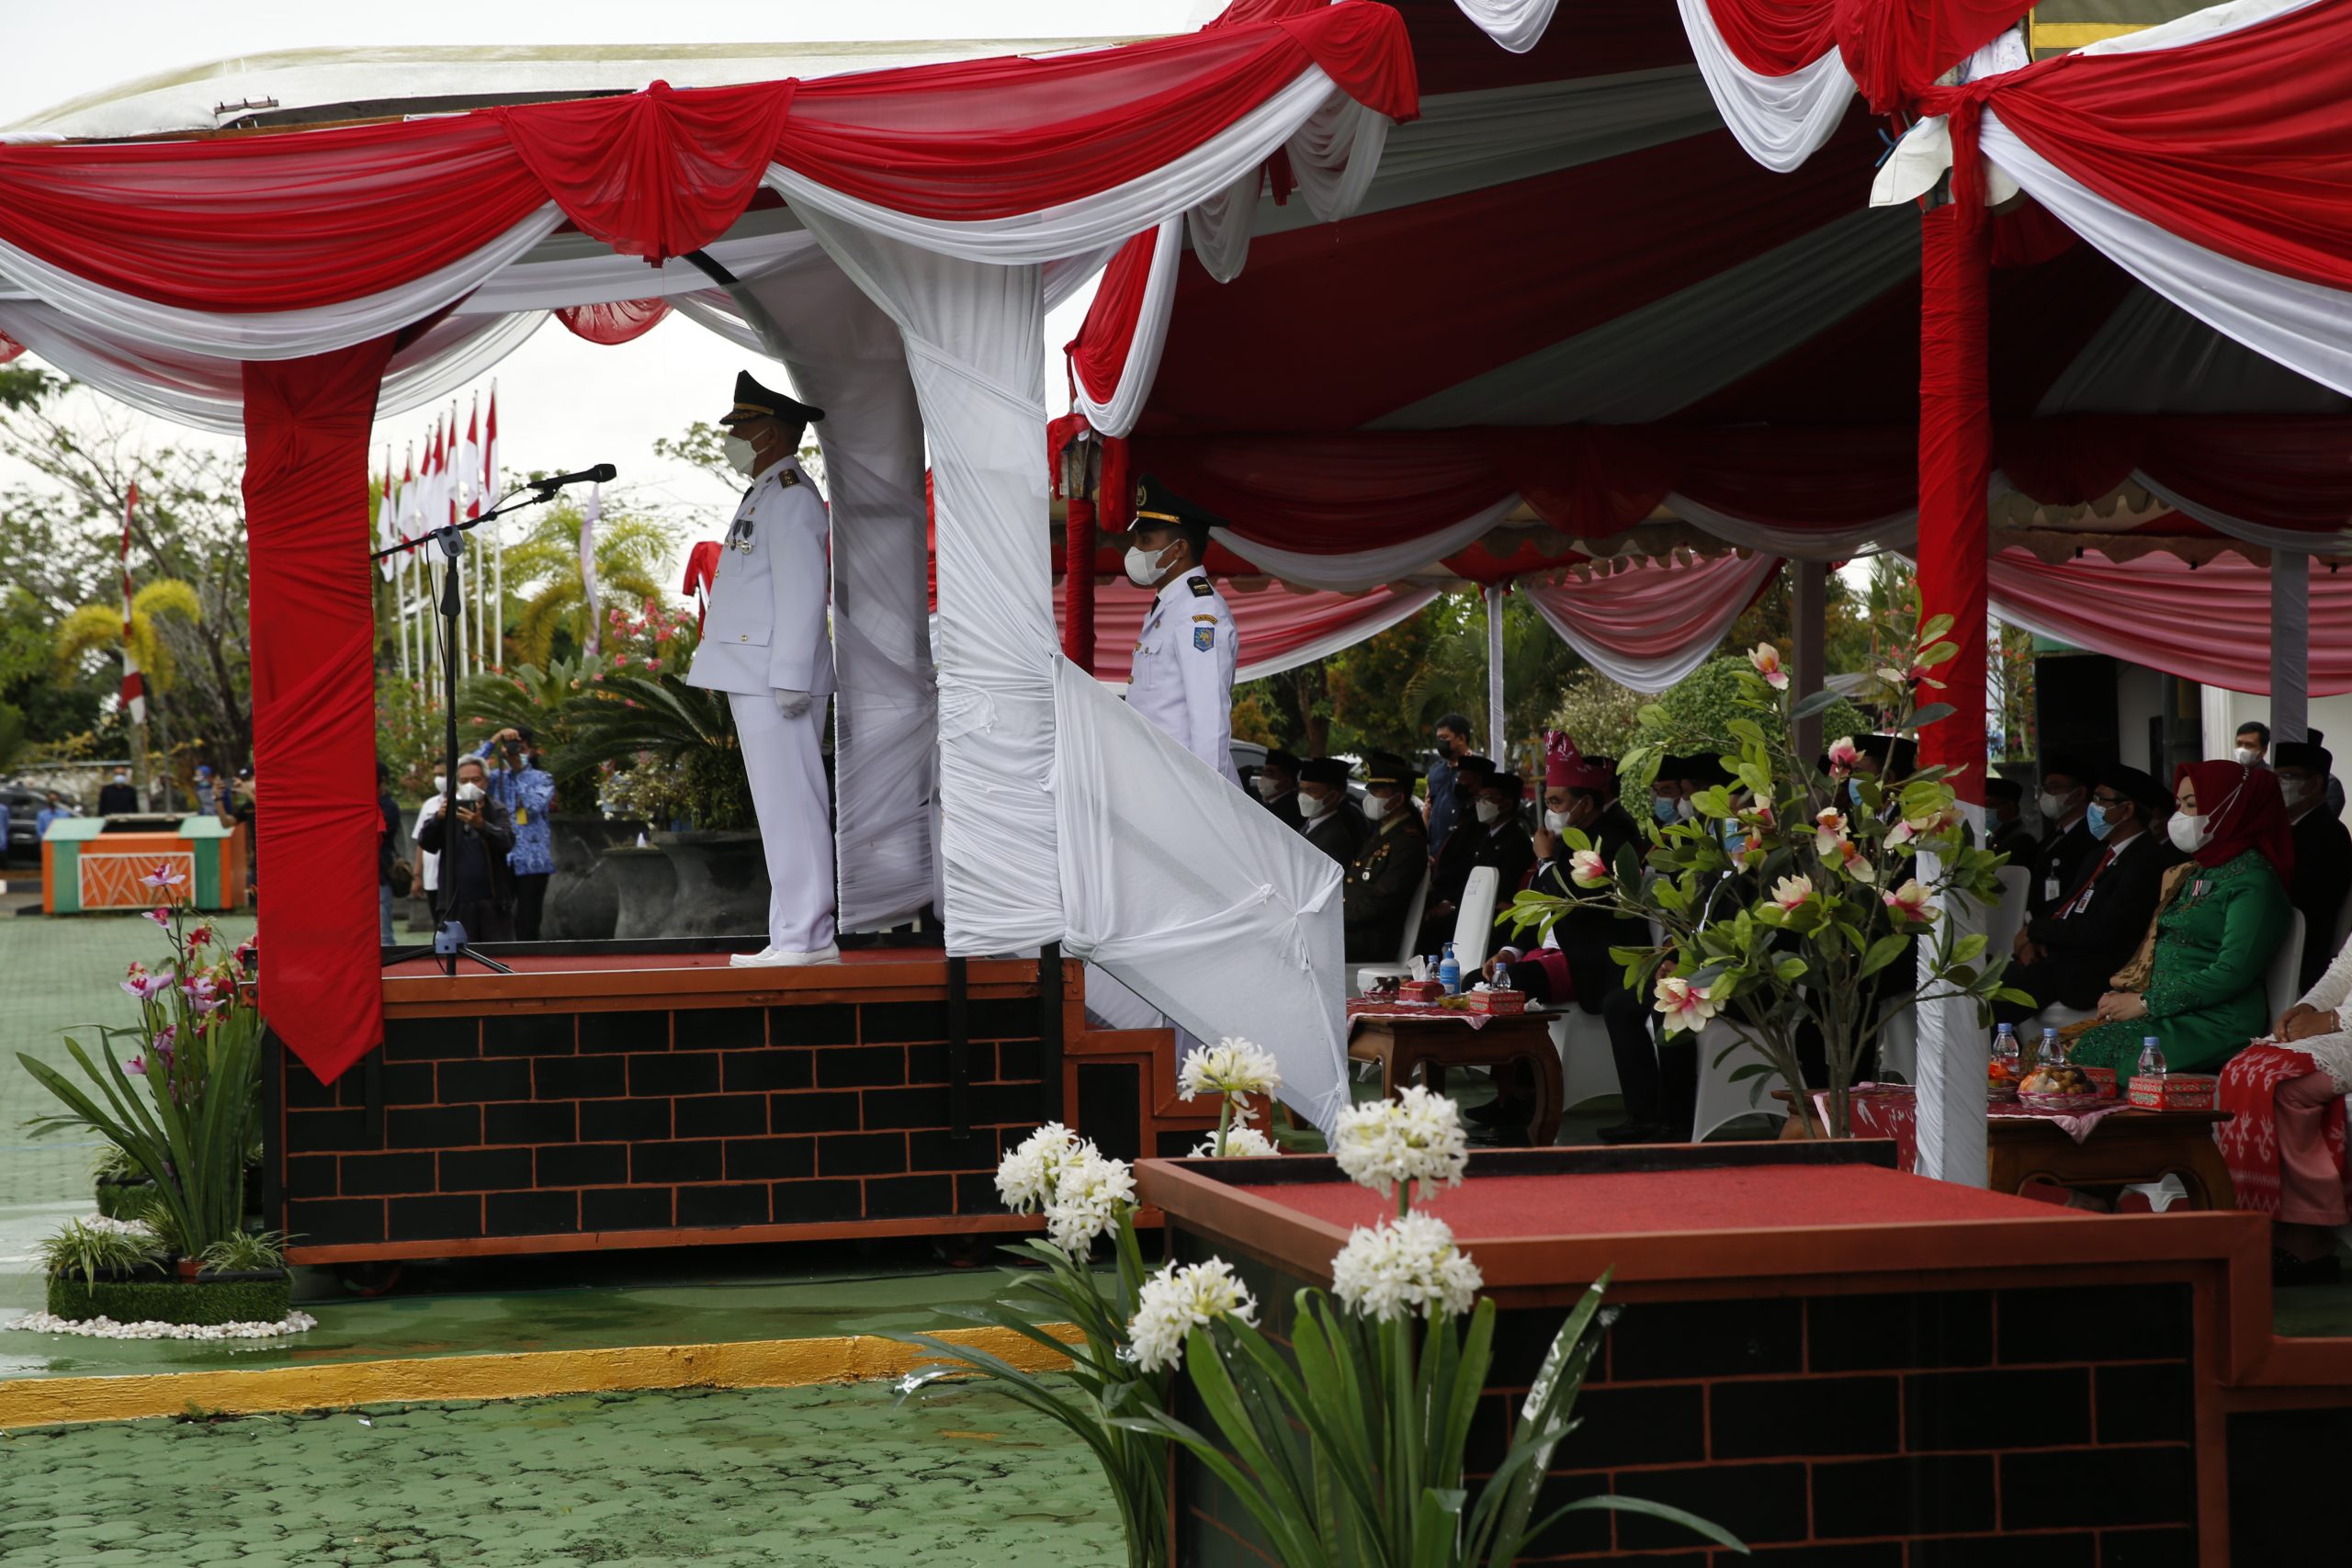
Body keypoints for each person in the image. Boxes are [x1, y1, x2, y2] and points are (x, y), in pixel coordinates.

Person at [684, 371, 840, 967]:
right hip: (757, 674)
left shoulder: (794, 497)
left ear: (771, 433)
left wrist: (792, 674)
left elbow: (805, 591)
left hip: (778, 677)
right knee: (780, 809)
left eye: (742, 425)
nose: (733, 435)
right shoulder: (766, 493)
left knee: (795, 805)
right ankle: (791, 934)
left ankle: (808, 935)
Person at [1483, 736, 1658, 1142]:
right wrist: (1511, 950)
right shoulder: (1571, 837)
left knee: (1511, 986)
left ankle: (1528, 1099)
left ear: (1587, 802)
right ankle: (1511, 1095)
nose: (1551, 812)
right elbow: (1536, 909)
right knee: (1486, 975)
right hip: (1552, 951)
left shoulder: (1612, 839)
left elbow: (1574, 901)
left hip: (1592, 958)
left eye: (1559, 802)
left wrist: (1544, 860)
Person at [2069, 760, 2294, 1074]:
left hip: (2218, 1021)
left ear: (2230, 808)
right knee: (2052, 1047)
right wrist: (2127, 995)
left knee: (2088, 1053)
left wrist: (2146, 1002)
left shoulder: (2253, 882)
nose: (2180, 817)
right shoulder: (2194, 872)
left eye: (2192, 804)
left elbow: (2233, 971)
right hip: (2171, 1013)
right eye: (2179, 805)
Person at [1996, 765, 2176, 1026]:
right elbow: (2066, 906)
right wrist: (2034, 938)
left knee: (1997, 1006)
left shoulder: (2147, 860)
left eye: (2102, 800)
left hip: (2092, 971)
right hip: (2061, 958)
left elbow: (2104, 928)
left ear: (2127, 810)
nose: (2094, 807)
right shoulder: (2100, 854)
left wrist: (2038, 932)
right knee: (1992, 989)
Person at [2226, 934, 2352, 1283]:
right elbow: (2344, 968)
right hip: (2342, 1028)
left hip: (2344, 1028)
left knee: (2284, 1086)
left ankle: (2308, 1234)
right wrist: (2308, 1008)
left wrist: (2331, 1021)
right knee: (2244, 1068)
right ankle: (2265, 1221)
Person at [1122, 475, 1240, 786]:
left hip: (1185, 787)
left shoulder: (1199, 612)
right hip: (1161, 779)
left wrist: (1206, 797)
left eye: (1146, 541)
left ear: (1179, 549)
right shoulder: (1171, 606)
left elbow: (1208, 716)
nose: (1136, 549)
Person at [2275, 739, 2352, 994]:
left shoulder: (2329, 833)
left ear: (2315, 783)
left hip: (2306, 951)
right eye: (2275, 777)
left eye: (2287, 777)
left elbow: (2309, 900)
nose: (2279, 784)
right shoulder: (2288, 828)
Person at [415, 758, 516, 942]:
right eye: (463, 781)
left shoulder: (496, 810)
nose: (470, 785)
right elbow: (426, 843)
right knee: (459, 960)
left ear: (485, 781)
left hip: (493, 902)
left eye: (476, 779)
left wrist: (482, 825)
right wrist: (438, 819)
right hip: (456, 903)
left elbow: (506, 842)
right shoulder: (448, 811)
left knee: (499, 955)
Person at [473, 726, 557, 941]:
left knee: (528, 921)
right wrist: (493, 741)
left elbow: (534, 806)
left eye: (521, 747)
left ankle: (530, 967)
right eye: (512, 746)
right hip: (501, 856)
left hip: (532, 860)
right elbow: (468, 772)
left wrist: (519, 769)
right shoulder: (494, 778)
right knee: (498, 917)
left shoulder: (542, 778)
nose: (515, 751)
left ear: (531, 750)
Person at [1343, 751, 1429, 962]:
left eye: (1377, 791)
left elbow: (1382, 901)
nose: (1370, 796)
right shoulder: (1383, 833)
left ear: (1398, 799)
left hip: (1372, 940)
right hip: (1354, 931)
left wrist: (1336, 918)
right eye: (1370, 789)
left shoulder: (1408, 842)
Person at [1417, 754, 1498, 950]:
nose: (1459, 783)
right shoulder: (1464, 811)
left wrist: (1451, 902)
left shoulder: (1480, 822)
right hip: (1442, 891)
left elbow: (1467, 866)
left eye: (1465, 779)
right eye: (1459, 777)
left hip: (1458, 899)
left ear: (1478, 782)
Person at [2022, 756, 2098, 931]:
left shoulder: (2090, 836)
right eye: (2046, 788)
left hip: (2059, 926)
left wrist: (2033, 920)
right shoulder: (2055, 835)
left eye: (2056, 787)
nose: (2048, 794)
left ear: (2080, 793)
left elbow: (2076, 890)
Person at [1423, 714, 1476, 860]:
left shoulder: (1477, 770)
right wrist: (1425, 846)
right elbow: (1427, 810)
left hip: (1464, 854)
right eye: (1438, 738)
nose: (1440, 742)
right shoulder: (1435, 773)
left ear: (1461, 739)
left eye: (1444, 738)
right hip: (1435, 854)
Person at [1298, 757, 1367, 865]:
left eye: (1311, 791)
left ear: (1332, 797)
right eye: (1301, 789)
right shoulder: (1312, 824)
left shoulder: (1335, 838)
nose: (1302, 796)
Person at [412, 772, 447, 927]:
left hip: (454, 879)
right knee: (439, 925)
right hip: (432, 878)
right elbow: (421, 841)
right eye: (437, 774)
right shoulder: (430, 804)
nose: (439, 778)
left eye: (443, 773)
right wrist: (417, 875)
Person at [376, 761, 402, 946]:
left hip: (381, 876)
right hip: (355, 875)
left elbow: (376, 834)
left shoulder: (389, 807)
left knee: (383, 933)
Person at [1984, 776, 2036, 860]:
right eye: (1982, 806)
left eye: (1991, 805)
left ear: (2010, 806)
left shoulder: (2021, 840)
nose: (1985, 811)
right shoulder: (1989, 838)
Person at [1254, 749, 1304, 829]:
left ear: (1286, 781)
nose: (1263, 777)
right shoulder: (1267, 801)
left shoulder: (1291, 810)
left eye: (1269, 774)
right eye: (1263, 772)